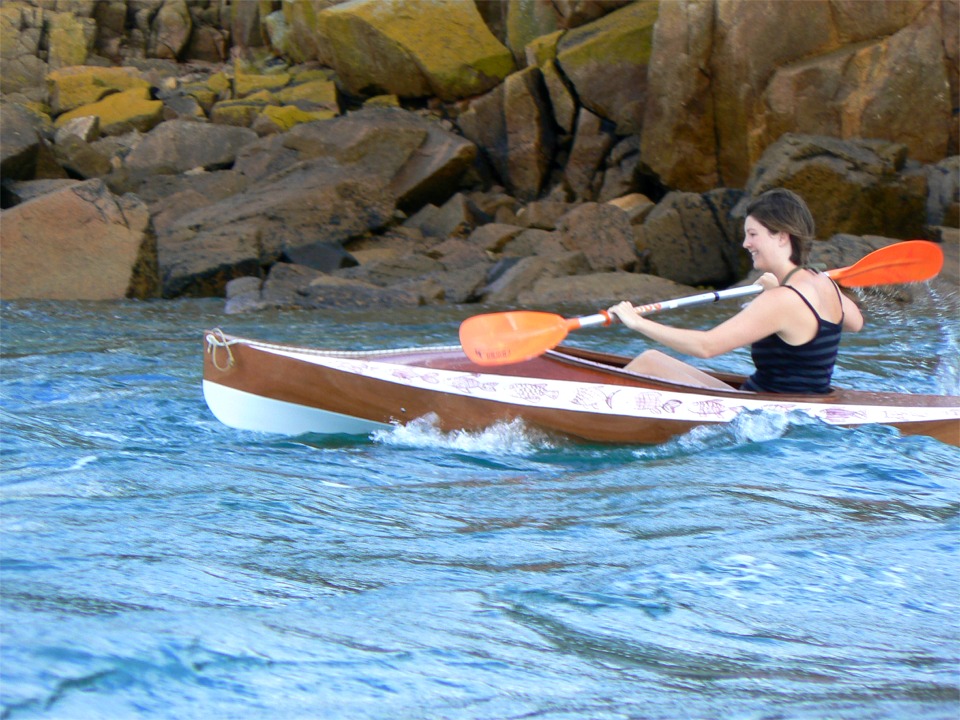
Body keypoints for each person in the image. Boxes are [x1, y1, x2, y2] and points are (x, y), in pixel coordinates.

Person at [607, 188, 864, 393]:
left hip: (761, 410)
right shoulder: (823, 283)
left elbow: (707, 347)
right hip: (799, 402)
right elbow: (855, 323)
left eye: (753, 234)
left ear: (782, 237)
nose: (745, 243)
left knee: (646, 364)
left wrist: (637, 322)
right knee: (652, 358)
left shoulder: (781, 300)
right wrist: (781, 293)